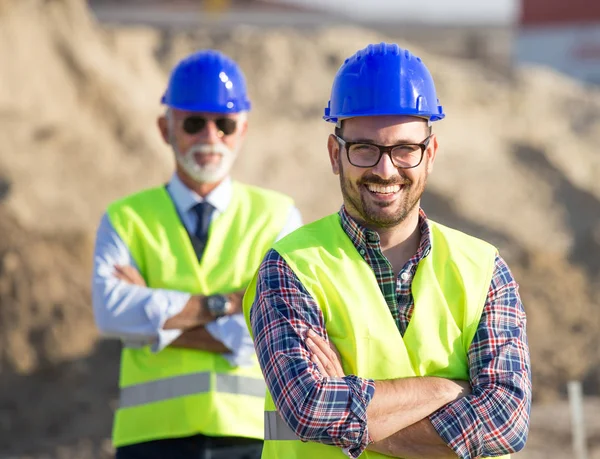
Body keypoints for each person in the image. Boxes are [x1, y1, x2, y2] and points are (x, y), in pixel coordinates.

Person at [244, 43, 531, 458]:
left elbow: (506, 421)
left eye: (404, 149)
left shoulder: (484, 269)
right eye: (364, 148)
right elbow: (310, 410)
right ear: (334, 154)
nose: (385, 169)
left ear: (429, 154)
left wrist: (355, 409)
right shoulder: (289, 268)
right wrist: (447, 390)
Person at [92, 49, 302, 459]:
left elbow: (275, 330)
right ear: (164, 128)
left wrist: (153, 328)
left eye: (224, 124)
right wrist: (228, 303)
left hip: (252, 438)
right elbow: (110, 312)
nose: (210, 137)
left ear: (243, 130)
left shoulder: (278, 217)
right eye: (193, 123)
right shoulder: (125, 218)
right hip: (149, 439)